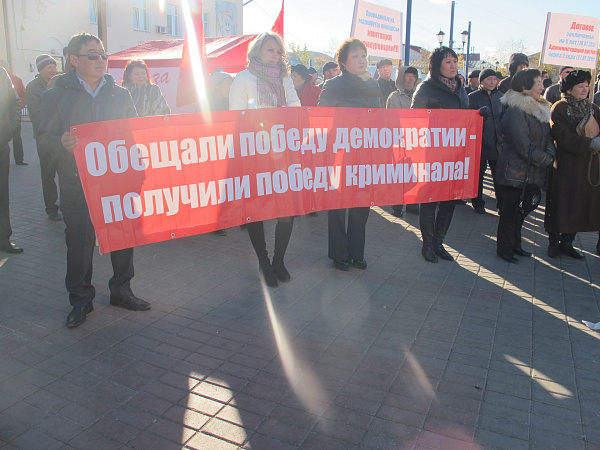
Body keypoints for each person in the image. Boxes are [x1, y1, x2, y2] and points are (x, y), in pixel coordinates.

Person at [37, 32, 150, 328]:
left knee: (122, 237)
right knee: (79, 243)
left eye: (103, 55)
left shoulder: (120, 95)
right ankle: (80, 300)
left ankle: (121, 290)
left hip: (117, 182)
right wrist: (60, 143)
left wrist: (138, 174)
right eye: (92, 55)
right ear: (74, 60)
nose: (100, 60)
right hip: (77, 183)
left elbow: (134, 137)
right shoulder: (55, 95)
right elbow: (43, 140)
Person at [229, 31, 300, 287]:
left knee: (287, 211)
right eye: (270, 49)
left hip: (281, 152)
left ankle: (278, 260)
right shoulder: (244, 78)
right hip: (254, 153)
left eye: (278, 51)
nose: (275, 55)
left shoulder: (285, 77)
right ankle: (263, 261)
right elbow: (236, 116)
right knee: (256, 209)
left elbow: (295, 107)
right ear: (257, 50)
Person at [318, 38, 382, 271]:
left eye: (363, 56)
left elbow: (379, 119)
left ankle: (357, 252)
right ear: (343, 62)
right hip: (339, 153)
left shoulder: (373, 85)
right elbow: (322, 120)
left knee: (362, 203)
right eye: (355, 56)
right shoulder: (333, 85)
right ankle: (339, 253)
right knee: (337, 204)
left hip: (365, 153)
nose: (361, 60)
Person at [411, 46, 470, 263]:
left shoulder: (460, 89)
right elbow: (414, 122)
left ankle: (439, 243)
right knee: (429, 199)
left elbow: (466, 117)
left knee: (450, 200)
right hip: (432, 154)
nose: (453, 66)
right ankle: (427, 245)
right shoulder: (425, 89)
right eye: (448, 62)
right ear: (436, 66)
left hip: (456, 154)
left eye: (455, 61)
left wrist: (479, 116)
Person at [496, 69, 555, 263]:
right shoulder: (515, 110)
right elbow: (522, 144)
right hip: (514, 171)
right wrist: (546, 160)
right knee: (509, 212)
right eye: (537, 83)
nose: (541, 87)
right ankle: (504, 249)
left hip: (532, 169)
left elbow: (548, 138)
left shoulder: (540, 109)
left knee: (521, 212)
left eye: (541, 82)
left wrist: (550, 154)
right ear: (524, 86)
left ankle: (516, 245)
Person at [545, 70, 600, 259]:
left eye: (587, 86)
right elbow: (562, 136)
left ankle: (568, 242)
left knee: (579, 205)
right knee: (561, 204)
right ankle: (553, 242)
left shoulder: (593, 108)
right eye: (580, 86)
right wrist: (589, 143)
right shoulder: (559, 108)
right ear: (569, 89)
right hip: (565, 166)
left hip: (587, 167)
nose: (585, 89)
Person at [25, 54, 61, 221]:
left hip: (61, 137)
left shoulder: (60, 83)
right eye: (49, 67)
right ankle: (51, 208)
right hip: (45, 139)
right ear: (40, 70)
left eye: (54, 67)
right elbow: (36, 115)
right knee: (48, 174)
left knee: (66, 173)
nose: (53, 70)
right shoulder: (33, 87)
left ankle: (68, 205)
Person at [386, 66, 421, 218]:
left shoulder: (419, 95)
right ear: (401, 78)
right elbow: (393, 119)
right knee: (400, 175)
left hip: (418, 141)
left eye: (413, 75)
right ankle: (397, 205)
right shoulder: (394, 97)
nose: (411, 78)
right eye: (407, 75)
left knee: (415, 173)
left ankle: (412, 203)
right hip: (400, 141)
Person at [468, 68, 503, 214]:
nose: (493, 82)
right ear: (481, 81)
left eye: (495, 79)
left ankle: (501, 204)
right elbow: (468, 119)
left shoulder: (501, 97)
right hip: (480, 143)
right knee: (478, 176)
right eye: (489, 79)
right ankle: (478, 203)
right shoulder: (473, 97)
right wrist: (478, 115)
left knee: (499, 177)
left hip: (497, 143)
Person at [0, 67, 24, 254]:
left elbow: (15, 102)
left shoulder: (1, 74)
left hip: (0, 143)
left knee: (2, 194)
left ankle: (3, 238)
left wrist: (9, 129)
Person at [0, 61, 26, 165]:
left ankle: (19, 159)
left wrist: (13, 124)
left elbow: (16, 99)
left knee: (17, 138)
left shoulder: (3, 74)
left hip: (3, 138)